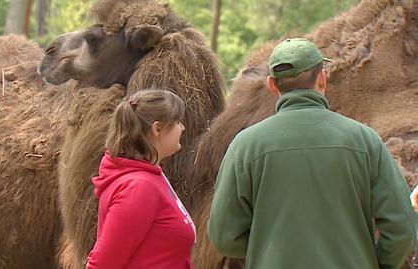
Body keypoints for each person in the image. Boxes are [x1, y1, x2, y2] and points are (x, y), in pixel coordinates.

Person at [207, 38, 417, 269]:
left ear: (272, 85)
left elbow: (223, 235)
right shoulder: (365, 140)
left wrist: (268, 250)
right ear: (322, 78)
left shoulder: (244, 146)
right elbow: (402, 225)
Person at [86, 89, 195, 269]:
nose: (182, 128)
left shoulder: (149, 178)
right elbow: (102, 264)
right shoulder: (139, 188)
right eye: (177, 121)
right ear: (157, 128)